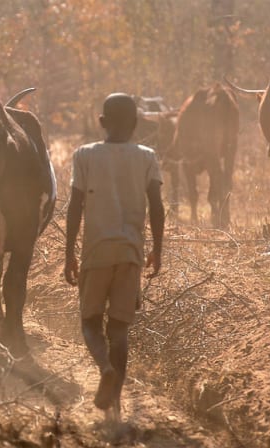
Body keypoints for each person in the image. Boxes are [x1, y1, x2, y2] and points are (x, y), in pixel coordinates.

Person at [64, 93, 164, 418]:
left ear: (102, 123)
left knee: (90, 323)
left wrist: (69, 254)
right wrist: (157, 250)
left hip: (96, 252)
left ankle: (105, 368)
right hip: (131, 254)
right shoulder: (147, 156)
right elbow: (157, 207)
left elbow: (75, 207)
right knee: (119, 329)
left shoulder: (85, 155)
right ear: (136, 124)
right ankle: (116, 406)